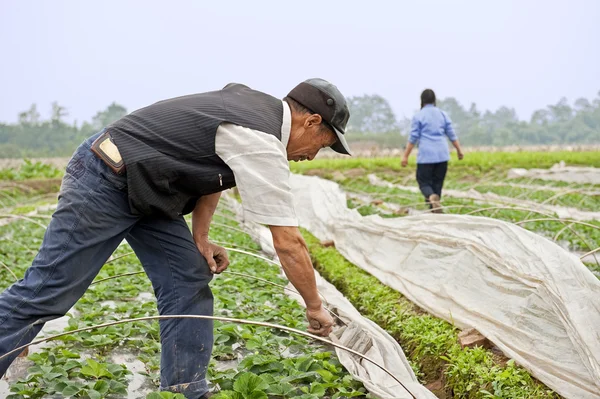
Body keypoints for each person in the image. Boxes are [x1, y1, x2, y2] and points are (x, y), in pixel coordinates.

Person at [0, 78, 351, 398]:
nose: (312, 156)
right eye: (323, 145)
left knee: (188, 278)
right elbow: (288, 241)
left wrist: (201, 236)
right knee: (46, 293)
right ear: (312, 122)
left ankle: (184, 391)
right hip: (105, 178)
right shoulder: (260, 136)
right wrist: (315, 306)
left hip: (148, 191)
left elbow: (216, 174)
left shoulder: (256, 114)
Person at [401, 89, 463, 212]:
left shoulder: (419, 116)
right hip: (442, 155)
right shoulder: (442, 114)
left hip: (426, 156)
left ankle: (431, 198)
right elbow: (451, 134)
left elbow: (413, 138)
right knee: (437, 184)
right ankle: (435, 209)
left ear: (422, 101)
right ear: (434, 100)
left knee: (423, 182)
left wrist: (405, 156)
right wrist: (459, 150)